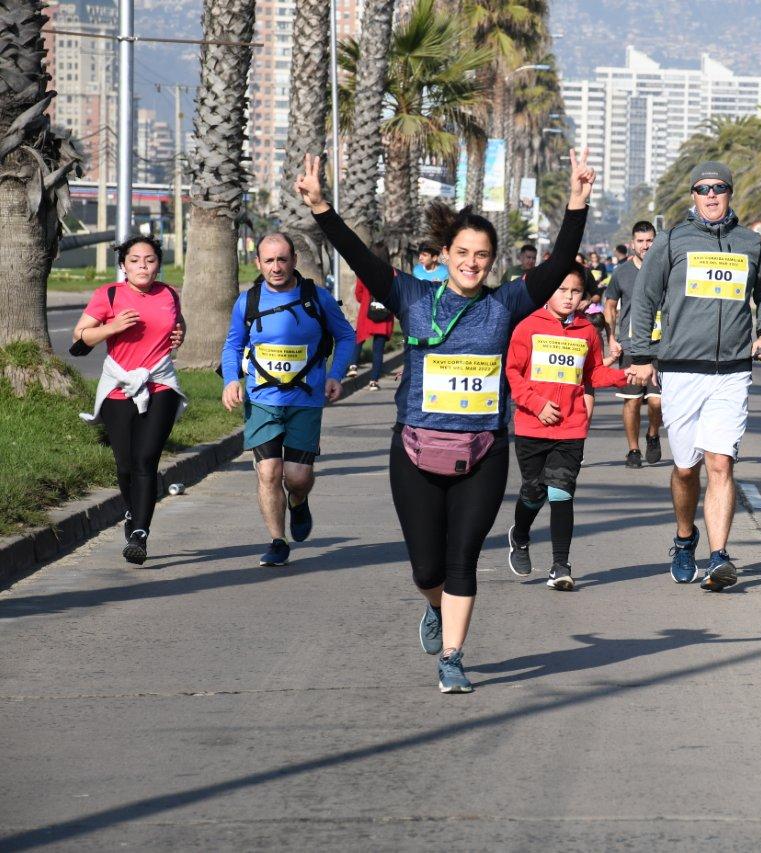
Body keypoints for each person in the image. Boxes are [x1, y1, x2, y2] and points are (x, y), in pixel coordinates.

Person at [297, 147, 596, 694]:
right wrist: (321, 207)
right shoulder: (412, 296)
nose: (471, 263)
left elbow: (557, 265)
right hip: (415, 449)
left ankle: (453, 657)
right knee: (426, 569)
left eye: (482, 255)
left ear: (493, 261)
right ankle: (434, 605)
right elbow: (359, 258)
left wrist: (577, 203)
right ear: (446, 254)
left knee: (463, 558)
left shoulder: (506, 304)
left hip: (483, 452)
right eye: (463, 253)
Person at [625, 161, 761, 592]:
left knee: (720, 463)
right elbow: (645, 298)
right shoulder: (673, 240)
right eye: (703, 188)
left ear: (730, 192)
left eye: (719, 188)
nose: (711, 195)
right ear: (693, 195)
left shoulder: (750, 243)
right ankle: (684, 538)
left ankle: (718, 557)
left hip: (732, 371)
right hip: (681, 370)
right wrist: (642, 355)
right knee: (685, 468)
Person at [220, 232, 357, 567]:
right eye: (269, 260)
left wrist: (336, 374)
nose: (276, 267)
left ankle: (298, 500)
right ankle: (277, 541)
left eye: (282, 259)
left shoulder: (317, 297)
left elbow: (346, 336)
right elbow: (233, 344)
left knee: (297, 477)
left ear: (294, 260)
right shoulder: (248, 301)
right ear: (258, 263)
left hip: (305, 399)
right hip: (262, 399)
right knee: (268, 472)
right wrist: (231, 380)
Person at [505, 263, 628, 590]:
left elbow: (593, 373)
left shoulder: (586, 330)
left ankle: (560, 565)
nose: (569, 297)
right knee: (534, 492)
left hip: (571, 428)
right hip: (532, 426)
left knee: (561, 492)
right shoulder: (528, 326)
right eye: (562, 290)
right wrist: (536, 404)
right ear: (549, 291)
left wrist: (625, 376)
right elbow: (513, 372)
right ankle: (520, 536)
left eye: (576, 291)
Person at [74, 236, 187, 565]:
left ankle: (140, 533)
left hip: (160, 383)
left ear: (158, 264)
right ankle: (131, 511)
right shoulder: (108, 294)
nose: (143, 266)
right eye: (135, 260)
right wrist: (113, 327)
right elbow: (81, 336)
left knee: (146, 459)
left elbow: (176, 324)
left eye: (150, 260)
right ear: (123, 265)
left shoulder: (169, 293)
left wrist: (180, 335)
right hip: (119, 386)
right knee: (125, 464)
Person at [604, 220, 663, 467]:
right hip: (630, 346)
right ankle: (633, 450)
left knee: (657, 401)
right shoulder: (622, 273)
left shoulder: (667, 270)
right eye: (640, 241)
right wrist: (611, 337)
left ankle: (653, 435)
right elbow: (610, 305)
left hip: (660, 345)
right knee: (633, 400)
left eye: (650, 240)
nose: (645, 245)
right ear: (632, 243)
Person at [355, 241, 395, 391]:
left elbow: (358, 293)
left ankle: (352, 365)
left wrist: (367, 301)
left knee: (359, 338)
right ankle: (373, 381)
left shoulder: (364, 271)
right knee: (378, 350)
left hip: (367, 313)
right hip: (384, 315)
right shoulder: (392, 273)